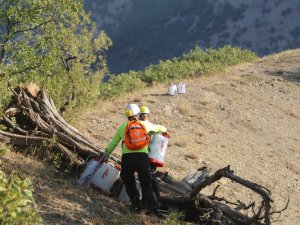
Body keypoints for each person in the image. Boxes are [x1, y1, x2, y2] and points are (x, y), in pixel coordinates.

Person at [105, 103, 157, 213]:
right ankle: (150, 208)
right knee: (146, 182)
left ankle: (136, 204)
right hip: (142, 157)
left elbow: (114, 143)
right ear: (138, 114)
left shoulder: (123, 126)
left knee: (129, 181)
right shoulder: (144, 125)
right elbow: (160, 128)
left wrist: (105, 154)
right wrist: (162, 129)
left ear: (127, 115)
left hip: (128, 158)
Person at [139, 105, 167, 202]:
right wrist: (157, 127)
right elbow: (164, 129)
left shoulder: (133, 124)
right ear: (147, 115)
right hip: (148, 157)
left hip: (135, 156)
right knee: (152, 181)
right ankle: (155, 203)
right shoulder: (150, 125)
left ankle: (145, 202)